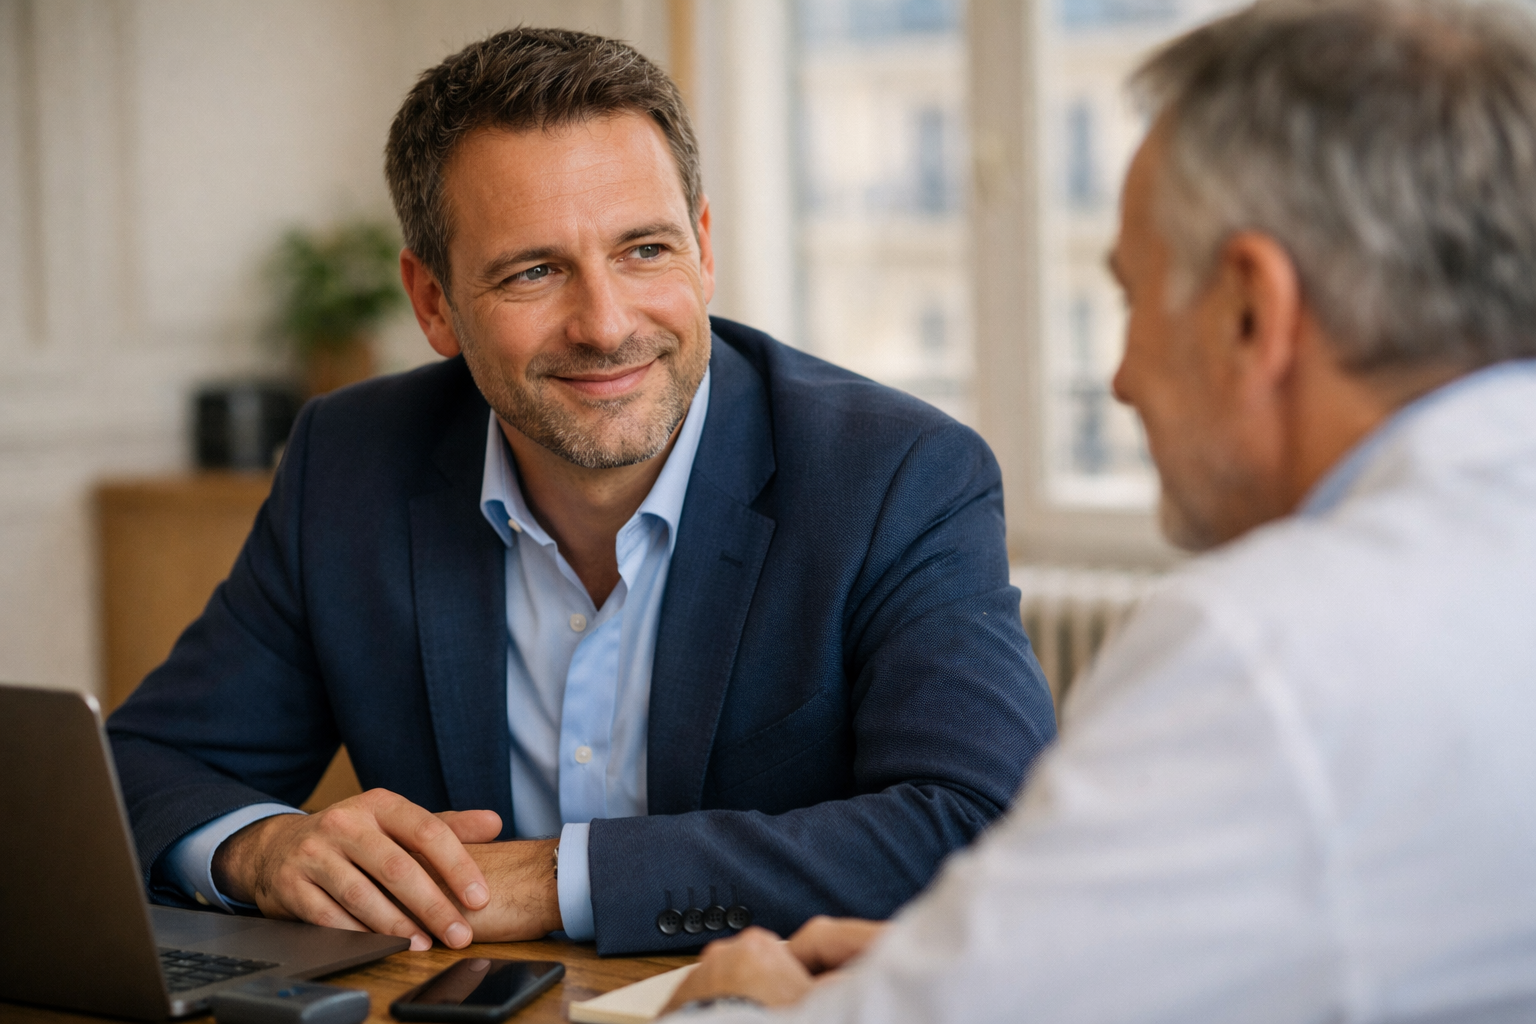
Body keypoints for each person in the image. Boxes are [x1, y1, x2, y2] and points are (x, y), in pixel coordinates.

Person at [659, 0, 1536, 1018]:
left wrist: (739, 1002)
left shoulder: (1270, 654)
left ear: (1252, 310)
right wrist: (1011, 952)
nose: (1118, 380)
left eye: (1131, 297)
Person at [104, 28, 1056, 958]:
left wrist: (558, 876)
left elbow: (981, 821)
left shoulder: (896, 474)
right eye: (534, 271)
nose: (605, 326)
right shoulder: (349, 463)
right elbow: (135, 771)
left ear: (705, 244)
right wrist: (258, 849)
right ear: (434, 303)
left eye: (645, 250)